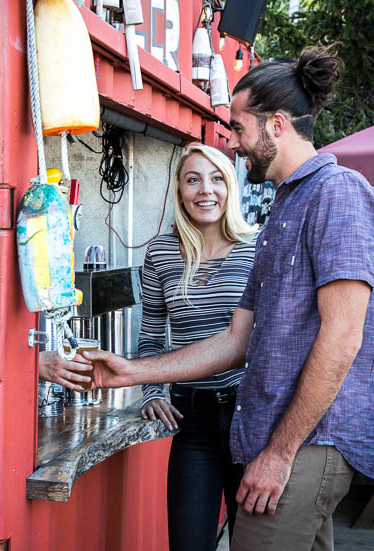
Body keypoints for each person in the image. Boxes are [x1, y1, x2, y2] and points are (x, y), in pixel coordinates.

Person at [84, 45, 374, 551]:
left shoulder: (338, 193)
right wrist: (133, 371)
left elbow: (342, 338)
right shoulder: (284, 209)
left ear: (275, 125)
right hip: (278, 436)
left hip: (308, 441)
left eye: (238, 128)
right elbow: (234, 340)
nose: (234, 142)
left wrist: (279, 453)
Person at [136, 143, 257, 551]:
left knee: (256, 542)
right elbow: (152, 333)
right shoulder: (161, 252)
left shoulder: (258, 248)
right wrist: (152, 391)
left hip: (252, 415)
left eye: (217, 178)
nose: (206, 190)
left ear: (231, 187)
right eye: (193, 179)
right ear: (179, 190)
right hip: (193, 419)